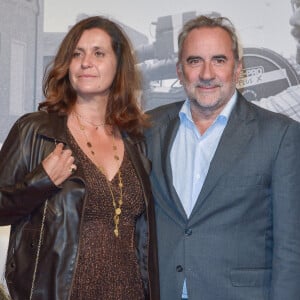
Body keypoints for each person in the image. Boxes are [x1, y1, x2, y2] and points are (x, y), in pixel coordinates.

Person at [0, 16, 159, 300]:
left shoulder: (135, 141)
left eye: (98, 53)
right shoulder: (35, 131)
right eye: (77, 54)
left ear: (118, 66)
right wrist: (40, 182)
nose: (86, 62)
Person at [145, 15, 300, 300]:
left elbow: (290, 248)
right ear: (180, 71)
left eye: (219, 60)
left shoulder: (280, 135)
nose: (206, 74)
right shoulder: (148, 129)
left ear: (238, 69)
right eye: (194, 61)